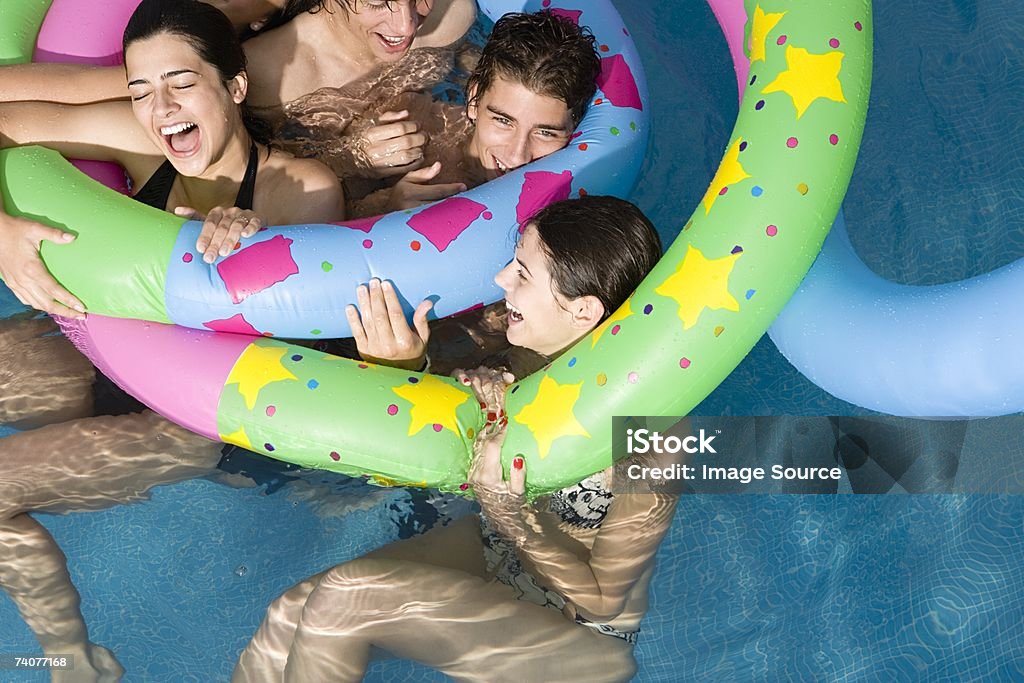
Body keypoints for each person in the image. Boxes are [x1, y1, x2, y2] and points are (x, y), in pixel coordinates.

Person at [0, 1, 344, 678]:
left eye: (181, 83)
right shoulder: (140, 138)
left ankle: (72, 658)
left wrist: (252, 240)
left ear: (234, 86)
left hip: (200, 416)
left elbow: (296, 336)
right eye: (139, 89)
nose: (160, 109)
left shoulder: (303, 189)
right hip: (105, 347)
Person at [234, 196, 681, 683]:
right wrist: (427, 376)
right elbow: (433, 426)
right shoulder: (524, 364)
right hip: (500, 555)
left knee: (346, 596)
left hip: (578, 635)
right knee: (290, 611)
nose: (501, 281)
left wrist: (509, 515)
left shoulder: (650, 433)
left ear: (582, 311)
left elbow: (602, 597)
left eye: (523, 275)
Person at [279, 10, 601, 216]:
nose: (517, 156)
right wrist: (385, 207)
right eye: (503, 121)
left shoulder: (582, 181)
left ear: (575, 125)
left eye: (545, 132)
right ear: (473, 100)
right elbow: (315, 214)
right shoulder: (412, 129)